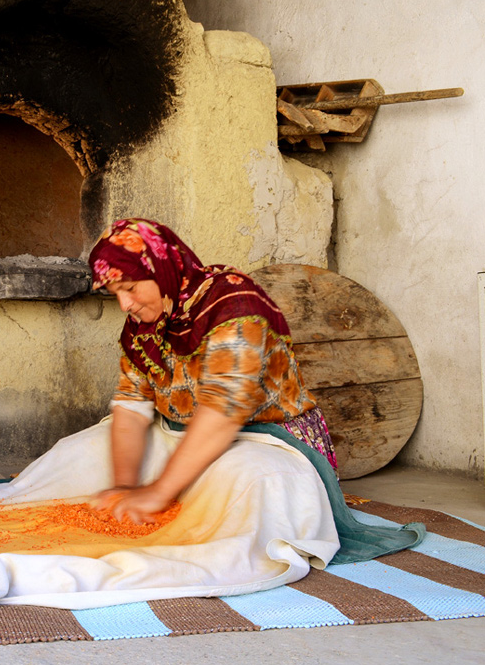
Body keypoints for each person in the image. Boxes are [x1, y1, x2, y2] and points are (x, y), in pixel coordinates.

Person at [87, 218, 339, 524]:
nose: (125, 304)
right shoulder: (144, 326)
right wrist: (124, 489)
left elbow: (224, 409)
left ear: (160, 269)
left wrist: (158, 492)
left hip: (263, 437)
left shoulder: (233, 303)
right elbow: (130, 406)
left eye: (129, 288)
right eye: (116, 294)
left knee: (243, 480)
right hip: (186, 431)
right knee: (84, 452)